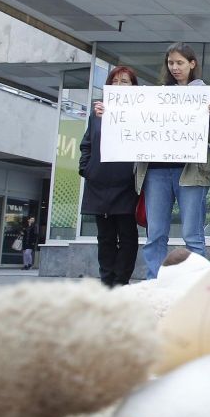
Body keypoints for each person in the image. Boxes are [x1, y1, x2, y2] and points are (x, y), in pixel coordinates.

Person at [134, 42, 210, 279]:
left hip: (190, 173)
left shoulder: (205, 96)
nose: (174, 68)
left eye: (180, 63)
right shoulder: (156, 96)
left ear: (192, 64)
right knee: (156, 233)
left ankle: (196, 284)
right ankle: (155, 280)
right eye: (171, 63)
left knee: (192, 234)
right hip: (156, 171)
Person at [82, 65, 140, 286]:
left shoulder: (140, 113)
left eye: (124, 81)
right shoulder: (97, 114)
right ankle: (106, 280)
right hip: (99, 181)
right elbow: (86, 143)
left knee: (127, 235)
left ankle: (121, 280)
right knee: (105, 236)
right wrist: (86, 168)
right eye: (114, 81)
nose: (118, 86)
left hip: (126, 182)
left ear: (134, 87)